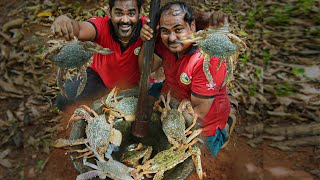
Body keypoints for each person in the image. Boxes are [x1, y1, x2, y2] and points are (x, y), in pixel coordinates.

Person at [139, 2, 236, 156]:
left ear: (192, 26)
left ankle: (225, 127)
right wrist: (147, 41)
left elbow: (199, 112)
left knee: (202, 154)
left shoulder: (208, 59)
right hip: (173, 93)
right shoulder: (166, 42)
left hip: (203, 117)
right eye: (165, 31)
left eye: (178, 30)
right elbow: (146, 68)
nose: (171, 38)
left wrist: (161, 117)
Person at [51, 0, 147, 111]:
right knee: (65, 99)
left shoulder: (148, 29)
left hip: (136, 86)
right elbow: (80, 29)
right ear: (109, 12)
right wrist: (65, 22)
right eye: (119, 13)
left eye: (131, 14)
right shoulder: (102, 25)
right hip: (100, 81)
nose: (125, 20)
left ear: (140, 13)